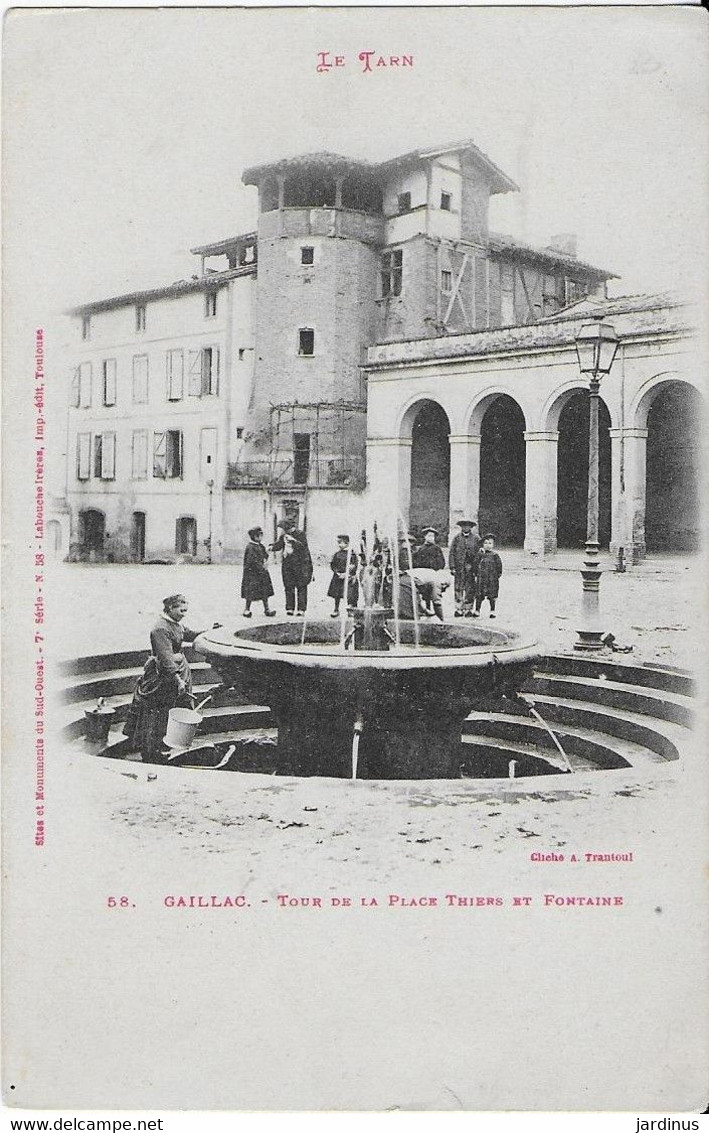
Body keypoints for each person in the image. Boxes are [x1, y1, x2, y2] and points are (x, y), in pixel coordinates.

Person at [123, 594, 201, 763]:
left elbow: (189, 634)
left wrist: (209, 632)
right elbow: (165, 657)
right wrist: (178, 680)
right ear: (170, 608)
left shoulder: (174, 623)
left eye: (185, 611)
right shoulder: (160, 629)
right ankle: (150, 750)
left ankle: (164, 745)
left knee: (171, 710)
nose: (183, 614)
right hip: (162, 676)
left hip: (175, 671)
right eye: (181, 610)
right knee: (156, 712)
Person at [270, 520, 313, 616]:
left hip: (300, 565)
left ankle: (301, 609)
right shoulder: (284, 535)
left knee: (301, 586)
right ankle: (290, 608)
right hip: (287, 564)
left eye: (284, 528)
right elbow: (279, 545)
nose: (284, 531)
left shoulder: (300, 534)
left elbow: (303, 547)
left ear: (289, 527)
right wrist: (271, 547)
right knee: (288, 586)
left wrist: (294, 541)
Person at [412, 527, 448, 620]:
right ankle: (427, 609)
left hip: (433, 573)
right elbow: (416, 562)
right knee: (425, 592)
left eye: (432, 536)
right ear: (425, 537)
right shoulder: (421, 549)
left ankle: (439, 615)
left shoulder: (437, 549)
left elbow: (441, 562)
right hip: (423, 574)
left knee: (435, 593)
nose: (430, 538)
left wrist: (436, 566)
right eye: (429, 536)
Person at [241, 526, 276, 618]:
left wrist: (267, 553)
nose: (261, 537)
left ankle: (267, 609)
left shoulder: (260, 545)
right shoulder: (250, 547)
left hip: (261, 573)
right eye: (260, 535)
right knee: (250, 592)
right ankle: (247, 609)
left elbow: (264, 556)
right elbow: (252, 561)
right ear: (255, 537)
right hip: (252, 574)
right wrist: (261, 567)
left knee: (265, 591)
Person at [448, 519, 481, 617]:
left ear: (471, 527)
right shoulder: (457, 538)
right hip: (459, 567)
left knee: (470, 588)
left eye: (468, 526)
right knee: (458, 587)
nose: (466, 528)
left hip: (471, 568)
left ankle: (468, 608)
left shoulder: (476, 538)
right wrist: (452, 567)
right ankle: (459, 608)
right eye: (463, 526)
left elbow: (479, 553)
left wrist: (477, 567)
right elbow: (452, 553)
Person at [327, 534, 359, 617]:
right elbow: (333, 565)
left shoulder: (352, 554)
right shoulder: (337, 554)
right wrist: (337, 573)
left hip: (348, 577)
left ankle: (351, 610)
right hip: (338, 577)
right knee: (337, 594)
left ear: (347, 543)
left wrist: (346, 574)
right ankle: (336, 609)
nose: (339, 545)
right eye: (338, 543)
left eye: (340, 543)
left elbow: (354, 565)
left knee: (350, 594)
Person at [472, 534, 503, 618]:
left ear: (493, 545)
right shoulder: (480, 555)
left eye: (490, 543)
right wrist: (475, 574)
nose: (487, 545)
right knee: (479, 594)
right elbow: (475, 564)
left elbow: (499, 567)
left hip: (492, 578)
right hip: (481, 578)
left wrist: (496, 576)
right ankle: (477, 610)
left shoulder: (495, 555)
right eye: (485, 543)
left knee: (492, 595)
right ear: (482, 545)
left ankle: (492, 611)